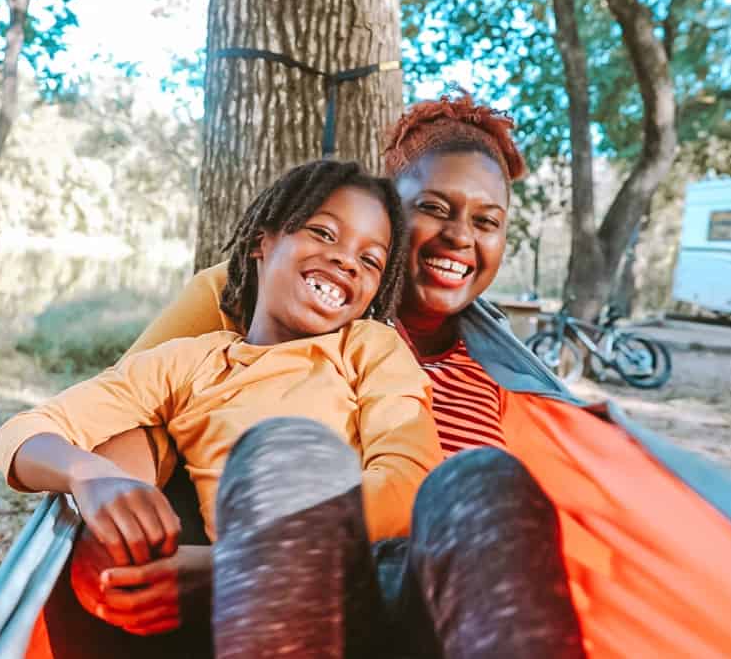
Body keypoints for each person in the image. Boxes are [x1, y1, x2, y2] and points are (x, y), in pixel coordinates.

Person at [82, 93, 586, 658]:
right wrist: (112, 509)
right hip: (299, 601)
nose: (460, 238)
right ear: (388, 211)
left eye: (487, 221)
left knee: (481, 480)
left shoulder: (499, 372)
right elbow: (136, 413)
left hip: (428, 612)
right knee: (291, 453)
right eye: (435, 209)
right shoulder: (269, 296)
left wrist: (237, 561)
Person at [0, 160, 444, 650]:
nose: (346, 261)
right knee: (270, 455)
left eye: (371, 260)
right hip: (264, 612)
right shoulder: (190, 364)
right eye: (323, 233)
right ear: (261, 241)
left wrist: (242, 562)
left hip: (372, 575)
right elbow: (24, 432)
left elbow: (408, 483)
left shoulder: (370, 348)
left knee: (483, 481)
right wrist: (89, 474)